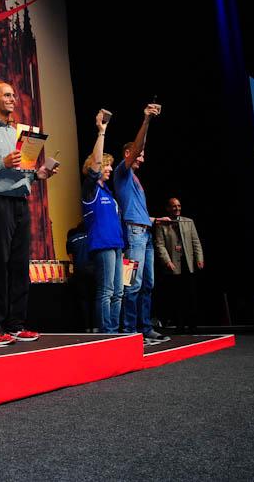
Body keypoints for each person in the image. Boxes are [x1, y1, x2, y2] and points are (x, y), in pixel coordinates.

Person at [0, 81, 56, 346]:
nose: (13, 99)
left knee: (19, 265)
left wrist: (37, 175)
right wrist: (1, 162)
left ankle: (16, 324)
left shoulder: (20, 132)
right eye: (6, 95)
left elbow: (22, 170)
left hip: (20, 202)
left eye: (14, 95)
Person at [112, 103, 170, 345]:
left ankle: (145, 328)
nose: (142, 159)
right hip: (133, 233)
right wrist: (146, 120)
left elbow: (136, 210)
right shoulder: (122, 172)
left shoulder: (135, 179)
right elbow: (137, 148)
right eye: (139, 154)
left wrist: (155, 219)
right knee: (133, 284)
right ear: (129, 153)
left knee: (148, 284)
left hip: (145, 233)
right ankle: (129, 331)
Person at [81, 110, 125, 334]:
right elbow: (96, 162)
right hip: (103, 245)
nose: (109, 168)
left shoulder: (108, 191)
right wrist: (101, 132)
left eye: (110, 165)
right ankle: (106, 332)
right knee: (106, 290)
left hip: (117, 245)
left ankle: (115, 331)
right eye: (107, 165)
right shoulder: (90, 189)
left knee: (118, 292)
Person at [154, 197, 204, 333]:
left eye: (179, 206)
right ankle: (180, 325)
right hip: (173, 265)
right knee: (177, 296)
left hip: (188, 263)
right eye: (174, 206)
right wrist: (167, 261)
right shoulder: (162, 224)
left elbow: (196, 242)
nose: (177, 208)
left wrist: (199, 258)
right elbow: (160, 245)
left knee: (191, 295)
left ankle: (192, 325)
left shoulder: (188, 222)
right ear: (168, 208)